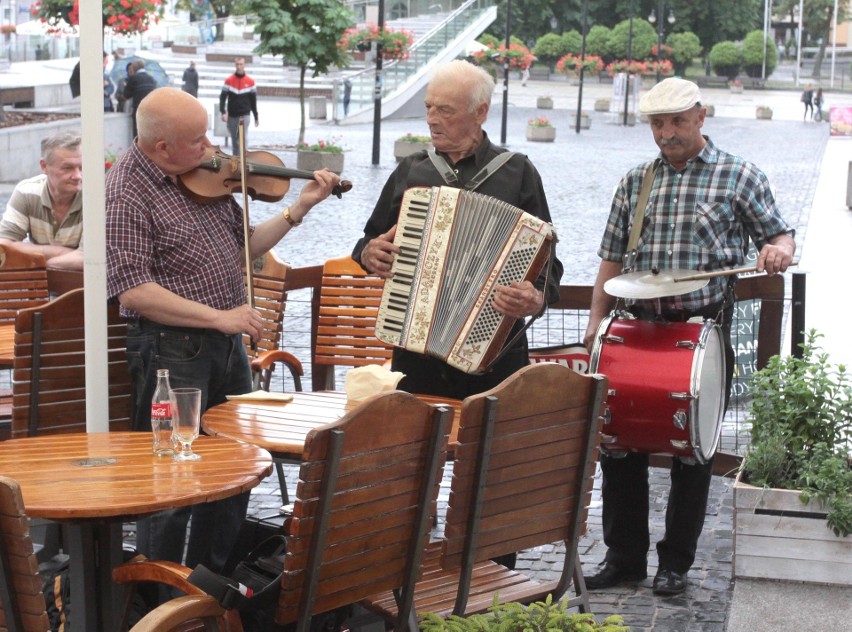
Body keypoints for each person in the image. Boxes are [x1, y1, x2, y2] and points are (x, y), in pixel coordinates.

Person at [105, 87, 340, 591]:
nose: (212, 148)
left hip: (222, 341)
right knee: (172, 476)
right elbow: (134, 289)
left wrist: (300, 207)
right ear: (162, 147)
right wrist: (219, 318)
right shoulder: (126, 191)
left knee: (235, 464)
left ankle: (212, 587)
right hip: (171, 349)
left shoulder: (202, 180)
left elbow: (244, 249)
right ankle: (159, 599)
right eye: (196, 140)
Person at [581, 77, 795, 596]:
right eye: (657, 124)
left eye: (677, 122)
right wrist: (595, 323)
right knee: (619, 445)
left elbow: (779, 233)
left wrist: (779, 250)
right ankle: (624, 557)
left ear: (701, 117)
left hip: (702, 332)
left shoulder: (740, 176)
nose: (666, 133)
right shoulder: (636, 181)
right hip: (635, 329)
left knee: (692, 450)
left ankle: (675, 563)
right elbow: (611, 257)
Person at [352, 59, 563, 402]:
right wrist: (369, 253)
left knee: (490, 453)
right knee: (416, 452)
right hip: (416, 356)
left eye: (445, 110)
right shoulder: (411, 171)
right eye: (429, 107)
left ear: (480, 112)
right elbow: (368, 241)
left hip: (494, 357)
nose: (432, 119)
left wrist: (535, 298)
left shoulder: (518, 173)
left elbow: (549, 265)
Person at [0, 131, 84, 271]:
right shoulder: (27, 192)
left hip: (86, 288)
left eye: (81, 167)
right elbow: (4, 246)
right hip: (40, 286)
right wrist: (68, 255)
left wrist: (38, 262)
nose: (77, 176)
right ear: (44, 166)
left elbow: (89, 260)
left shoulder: (96, 197)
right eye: (67, 168)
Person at [219, 57, 258, 150]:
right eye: (237, 64)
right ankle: (235, 163)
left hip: (244, 114)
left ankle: (243, 162)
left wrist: (256, 116)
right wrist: (223, 112)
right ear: (235, 65)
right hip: (232, 115)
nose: (239, 66)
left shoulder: (250, 82)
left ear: (245, 65)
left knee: (242, 140)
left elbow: (253, 101)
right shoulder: (229, 81)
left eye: (241, 64)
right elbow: (222, 97)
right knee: (234, 141)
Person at [123, 59, 158, 137]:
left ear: (135, 68)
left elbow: (126, 95)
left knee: (138, 134)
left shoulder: (133, 78)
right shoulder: (151, 79)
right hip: (151, 110)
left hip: (138, 109)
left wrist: (125, 86)